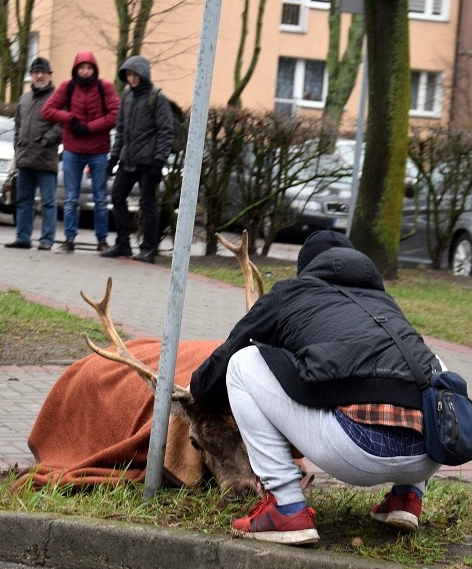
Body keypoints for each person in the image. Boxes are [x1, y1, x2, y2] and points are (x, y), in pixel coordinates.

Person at [189, 230, 443, 545]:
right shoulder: (385, 302)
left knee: (243, 363)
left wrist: (198, 387)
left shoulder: (291, 292)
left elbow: (227, 356)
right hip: (432, 451)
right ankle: (409, 496)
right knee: (431, 365)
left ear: (307, 269)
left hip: (357, 451)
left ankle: (286, 507)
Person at [41, 51, 119, 253]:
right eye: (81, 68)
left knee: (101, 199)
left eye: (89, 68)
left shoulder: (105, 87)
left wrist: (90, 127)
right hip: (72, 150)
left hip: (98, 151)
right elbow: (47, 110)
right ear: (76, 69)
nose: (85, 72)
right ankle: (69, 240)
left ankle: (102, 240)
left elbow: (116, 114)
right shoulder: (68, 87)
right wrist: (70, 118)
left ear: (95, 69)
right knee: (70, 199)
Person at [100, 55, 174, 264]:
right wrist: (114, 158)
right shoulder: (127, 97)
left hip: (148, 162)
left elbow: (166, 131)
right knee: (117, 197)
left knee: (148, 204)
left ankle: (148, 249)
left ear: (143, 74)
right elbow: (121, 130)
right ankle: (123, 243)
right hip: (128, 160)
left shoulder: (156, 97)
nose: (131, 78)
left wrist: (159, 160)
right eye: (128, 75)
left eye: (135, 74)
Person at [5, 57, 63, 250]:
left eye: (43, 72)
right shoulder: (24, 98)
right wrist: (18, 147)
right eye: (35, 72)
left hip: (46, 159)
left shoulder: (57, 98)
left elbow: (61, 125)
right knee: (23, 201)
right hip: (25, 159)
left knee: (48, 202)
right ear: (30, 75)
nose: (39, 75)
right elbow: (17, 126)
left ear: (49, 74)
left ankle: (47, 240)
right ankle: (22, 238)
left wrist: (45, 140)